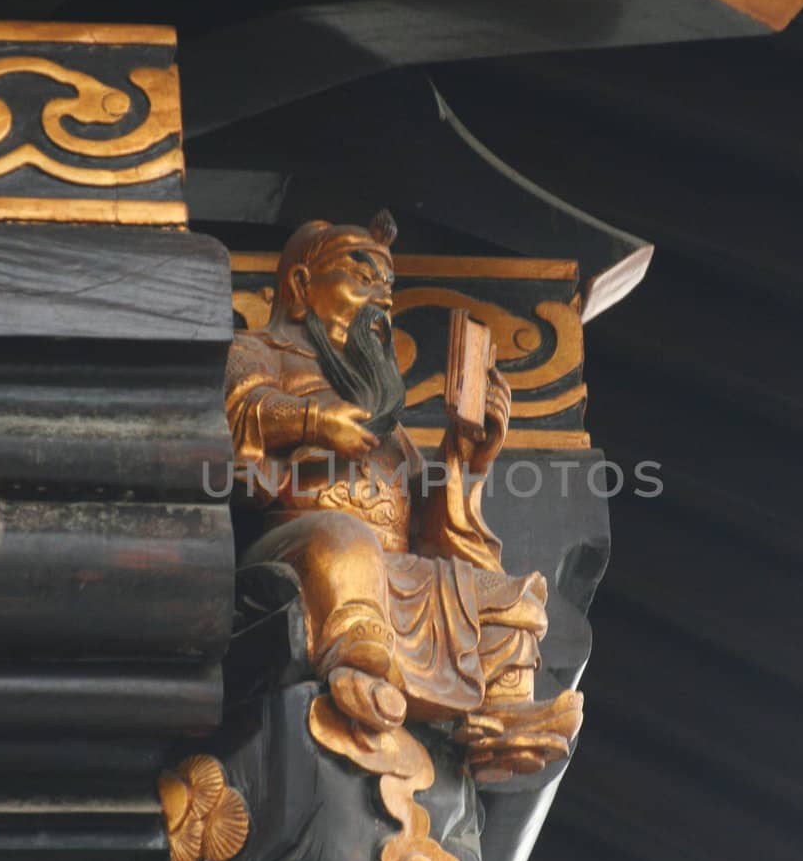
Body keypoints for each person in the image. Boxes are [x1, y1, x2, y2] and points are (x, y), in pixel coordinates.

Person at [224, 211, 581, 779]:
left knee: (510, 596)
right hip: (304, 547)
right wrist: (315, 421)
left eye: (387, 286)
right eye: (361, 276)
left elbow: (428, 518)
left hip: (399, 566)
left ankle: (501, 720)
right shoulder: (258, 350)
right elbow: (241, 408)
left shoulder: (377, 401)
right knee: (344, 543)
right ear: (299, 286)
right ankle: (358, 667)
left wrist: (470, 455)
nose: (381, 299)